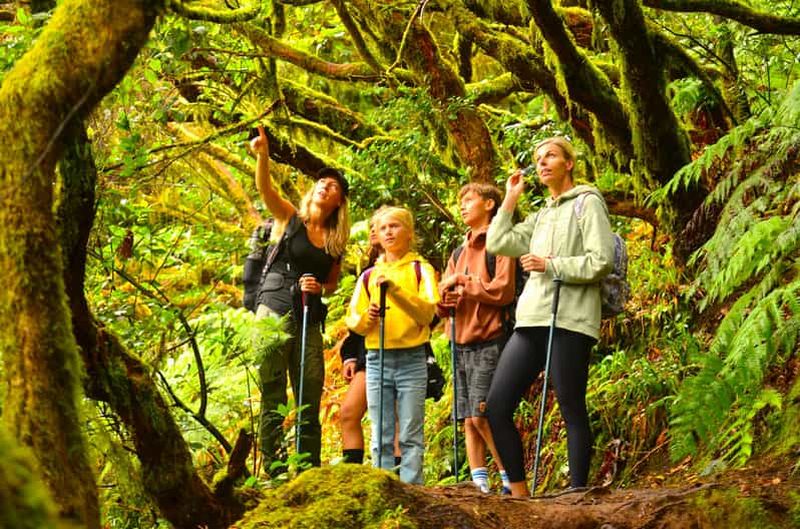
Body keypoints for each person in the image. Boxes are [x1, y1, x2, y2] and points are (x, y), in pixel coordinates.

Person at [485, 137, 615, 496]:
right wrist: (510, 199)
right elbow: (499, 242)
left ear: (569, 163)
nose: (542, 163)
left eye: (551, 157)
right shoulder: (543, 214)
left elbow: (601, 260)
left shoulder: (587, 204)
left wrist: (551, 265)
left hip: (571, 319)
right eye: (538, 158)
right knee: (497, 406)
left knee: (571, 406)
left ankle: (577, 495)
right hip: (532, 319)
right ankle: (520, 495)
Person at [249, 126, 350, 469]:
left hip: (309, 313)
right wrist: (263, 154)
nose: (325, 186)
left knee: (308, 389)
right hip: (274, 305)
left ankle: (307, 466)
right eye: (322, 182)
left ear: (339, 201)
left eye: (333, 185)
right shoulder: (290, 218)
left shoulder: (335, 244)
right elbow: (265, 189)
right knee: (272, 387)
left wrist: (319, 289)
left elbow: (332, 285)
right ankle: (274, 468)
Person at [346, 206, 439, 484]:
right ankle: (383, 486)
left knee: (410, 431)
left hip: (412, 359)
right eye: (383, 228)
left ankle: (413, 490)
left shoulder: (421, 270)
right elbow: (354, 322)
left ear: (409, 233)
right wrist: (368, 317)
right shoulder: (368, 276)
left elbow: (427, 313)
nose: (389, 232)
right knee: (381, 431)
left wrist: (395, 291)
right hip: (377, 359)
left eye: (395, 226)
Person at [437, 183, 515, 494]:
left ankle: (510, 477)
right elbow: (443, 297)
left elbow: (503, 290)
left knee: (482, 416)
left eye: (469, 200)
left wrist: (465, 282)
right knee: (468, 419)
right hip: (459, 339)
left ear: (490, 204)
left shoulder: (500, 244)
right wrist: (444, 301)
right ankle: (479, 486)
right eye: (461, 202)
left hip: (489, 338)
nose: (463, 206)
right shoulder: (459, 251)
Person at [339, 212, 400, 466]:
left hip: (400, 348)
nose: (376, 230)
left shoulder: (408, 267)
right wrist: (350, 355)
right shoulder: (367, 272)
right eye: (375, 226)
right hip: (368, 353)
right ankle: (354, 473)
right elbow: (356, 319)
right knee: (349, 413)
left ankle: (399, 481)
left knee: (394, 418)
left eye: (385, 226)